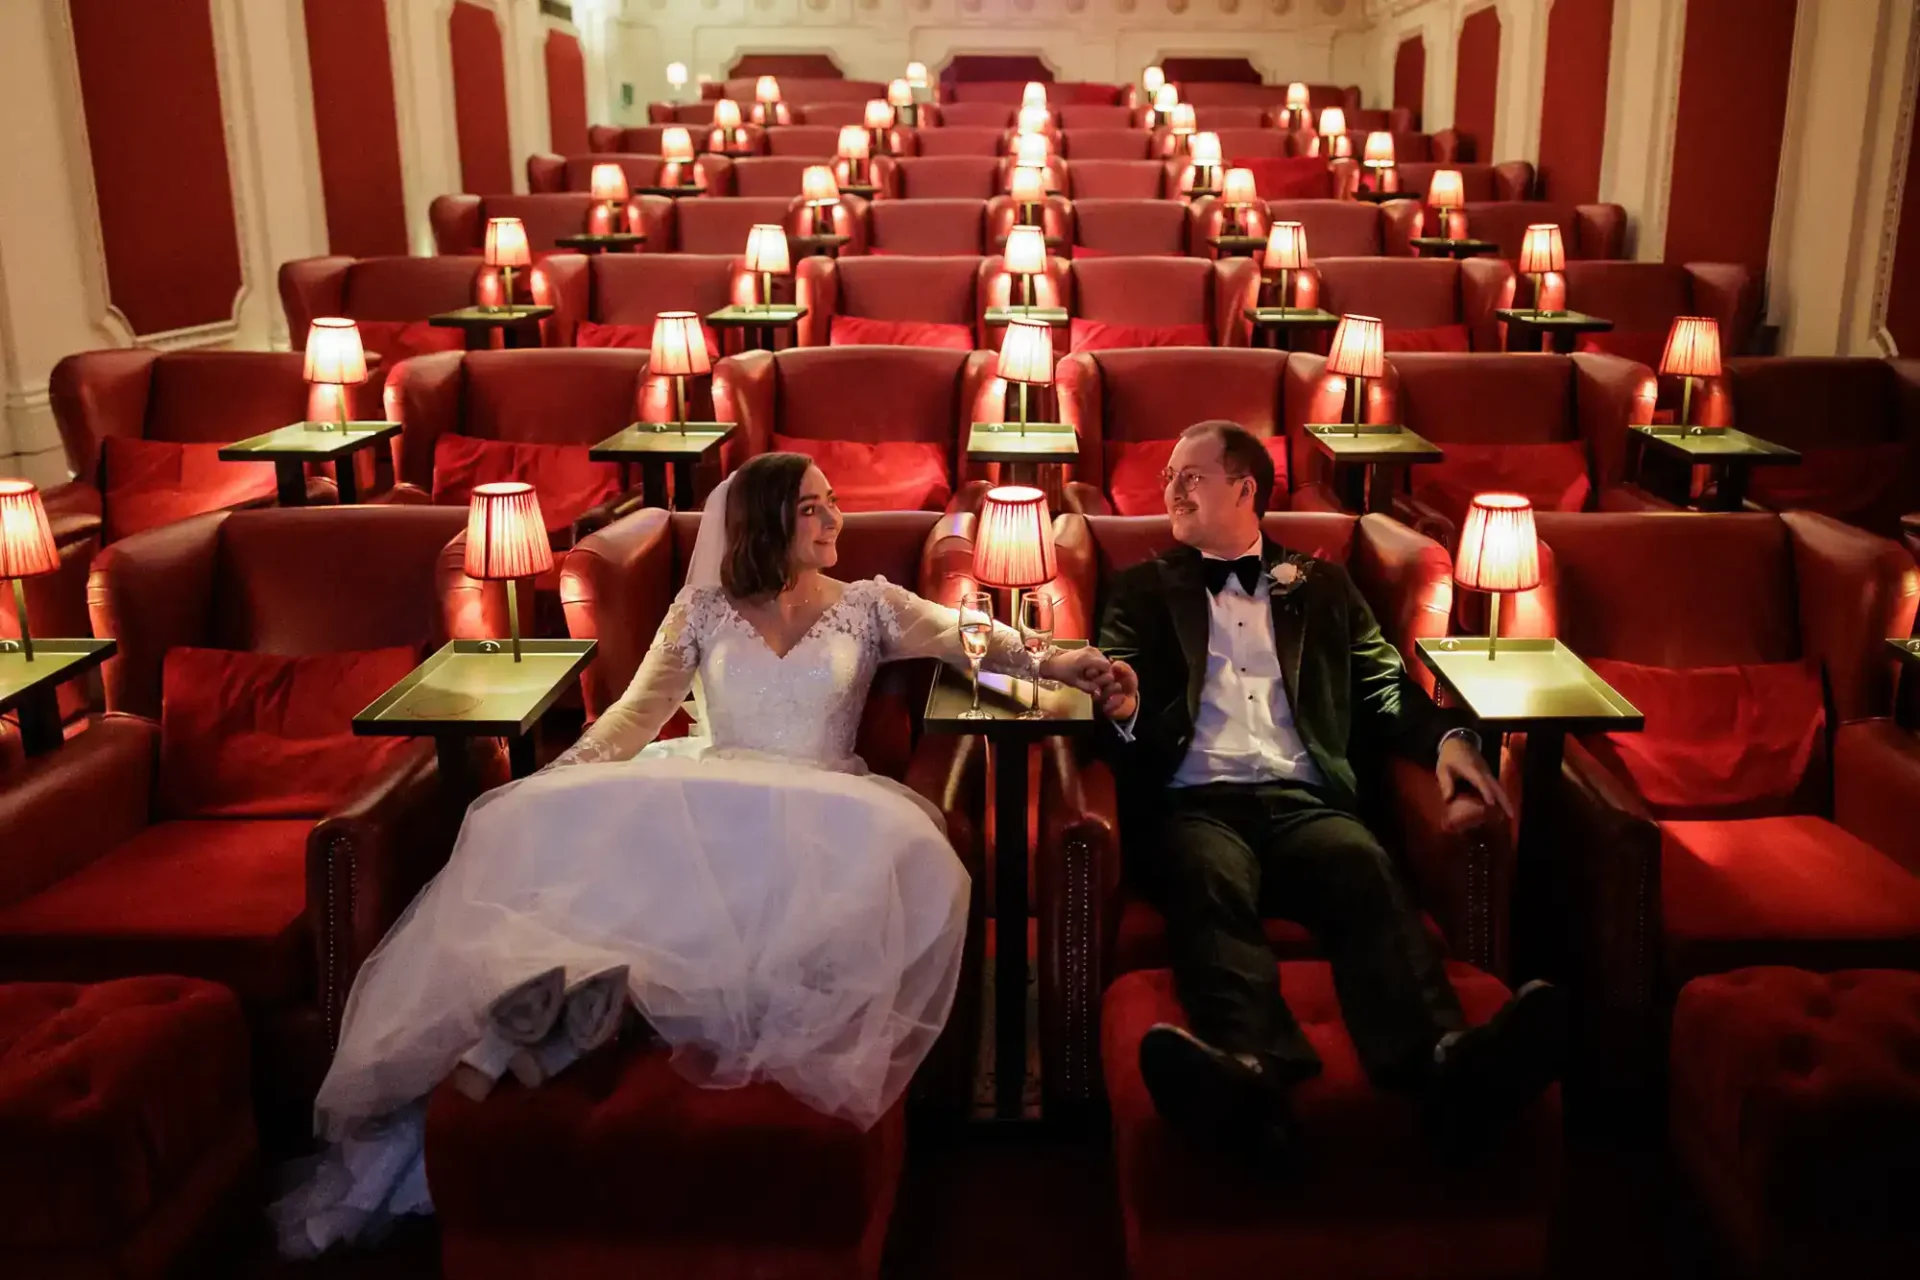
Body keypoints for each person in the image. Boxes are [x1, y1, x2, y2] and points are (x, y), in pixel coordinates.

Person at [274, 454, 1115, 1254]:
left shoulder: (870, 604)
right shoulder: (701, 610)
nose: (836, 516)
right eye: (814, 505)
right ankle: (547, 1016)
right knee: (619, 891)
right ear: (766, 523)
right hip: (713, 794)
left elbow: (979, 639)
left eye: (832, 501)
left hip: (824, 810)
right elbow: (634, 720)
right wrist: (559, 779)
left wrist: (1073, 659)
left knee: (766, 938)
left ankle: (587, 1019)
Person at [1091, 420, 1564, 1163]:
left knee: (1364, 868)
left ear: (1246, 489)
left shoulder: (1323, 585)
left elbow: (1383, 686)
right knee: (1208, 881)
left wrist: (1447, 741)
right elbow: (1117, 680)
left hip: (1303, 801)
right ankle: (1249, 1076)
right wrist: (1120, 706)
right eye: (1168, 477)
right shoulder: (1143, 589)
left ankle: (1446, 1061)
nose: (1170, 490)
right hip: (1197, 803)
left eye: (1192, 476)